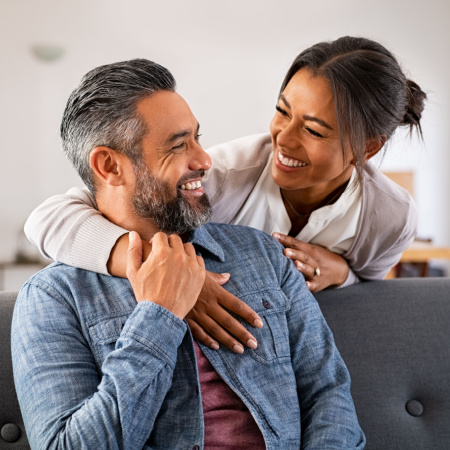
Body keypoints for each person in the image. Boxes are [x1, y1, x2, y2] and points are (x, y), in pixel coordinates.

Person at [12, 59, 365, 449]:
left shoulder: (263, 253)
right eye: (179, 145)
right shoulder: (53, 298)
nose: (204, 160)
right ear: (109, 165)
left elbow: (328, 393)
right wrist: (157, 316)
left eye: (198, 138)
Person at [24, 35, 426, 353]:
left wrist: (343, 274)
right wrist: (168, 274)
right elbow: (48, 219)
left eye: (314, 130)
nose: (282, 139)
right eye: (282, 111)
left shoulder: (390, 217)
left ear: (368, 148)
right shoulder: (224, 175)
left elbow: (370, 291)